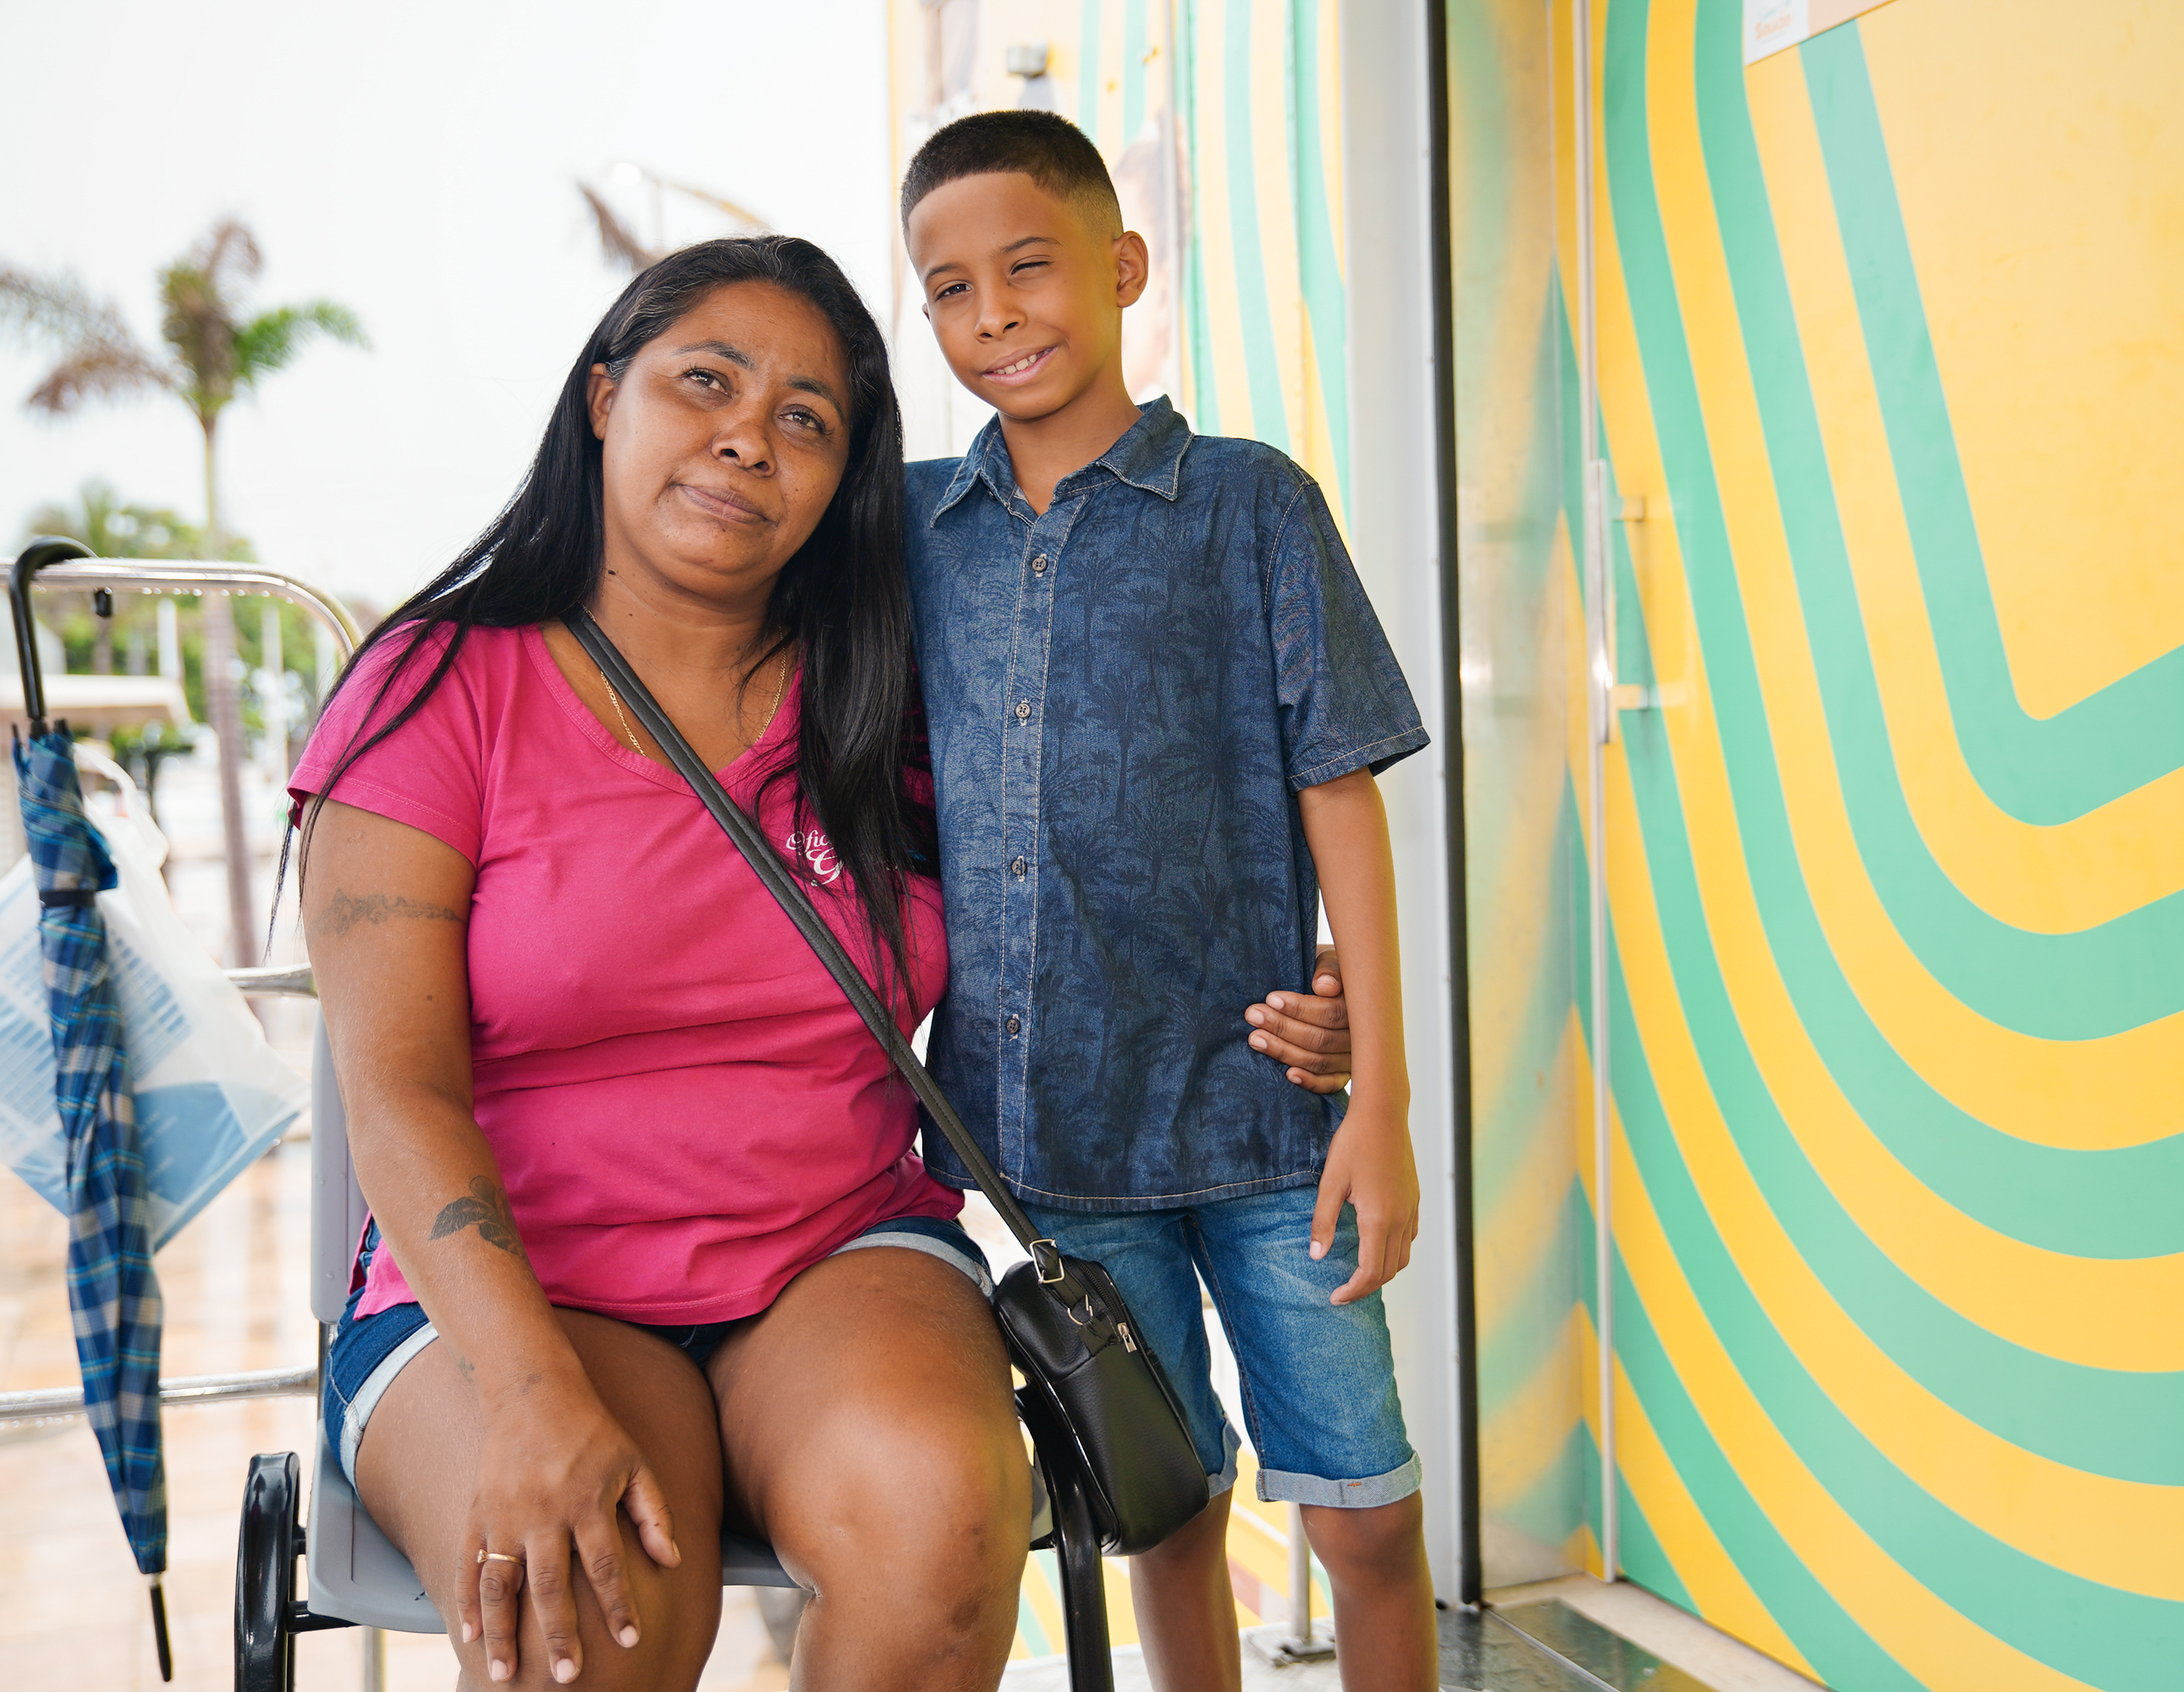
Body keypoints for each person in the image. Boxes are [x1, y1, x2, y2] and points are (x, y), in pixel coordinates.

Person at [291, 238, 1034, 1691]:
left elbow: (1093, 900)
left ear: (839, 488)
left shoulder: (891, 695)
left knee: (940, 1527)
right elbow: (395, 1092)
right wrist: (521, 1391)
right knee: (595, 1610)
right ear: (600, 399)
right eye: (708, 380)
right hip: (521, 1284)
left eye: (807, 419)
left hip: (836, 1249)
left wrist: (1290, 991)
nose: (751, 435)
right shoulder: (434, 688)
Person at [899, 113, 1440, 1692]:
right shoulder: (908, 534)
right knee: (1161, 1508)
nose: (992, 314)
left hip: (1273, 1121)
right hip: (1048, 1133)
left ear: (1122, 268)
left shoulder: (1252, 504)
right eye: (947, 289)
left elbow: (1343, 793)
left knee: (1366, 1514)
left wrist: (1382, 1099)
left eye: (1027, 268)